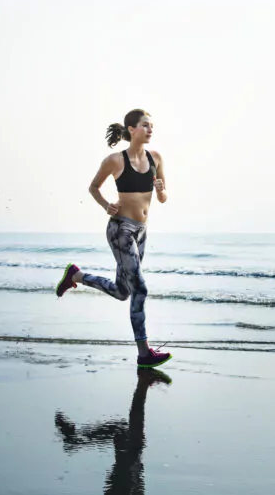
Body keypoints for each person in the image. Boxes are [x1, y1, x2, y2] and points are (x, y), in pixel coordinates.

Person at [55, 109, 171, 368]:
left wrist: (162, 190)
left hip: (142, 231)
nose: (150, 130)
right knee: (140, 288)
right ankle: (144, 354)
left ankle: (76, 276)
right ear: (131, 129)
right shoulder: (115, 160)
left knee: (122, 291)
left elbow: (162, 198)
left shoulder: (156, 158)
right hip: (121, 230)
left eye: (152, 126)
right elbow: (93, 187)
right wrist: (106, 205)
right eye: (145, 125)